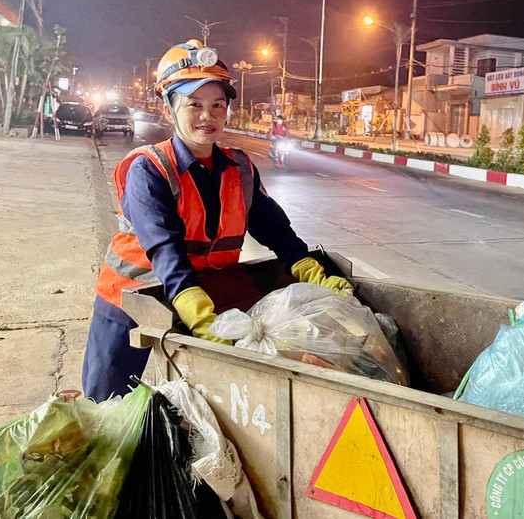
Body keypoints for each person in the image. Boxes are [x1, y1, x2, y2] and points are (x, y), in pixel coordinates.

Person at [82, 39, 352, 402]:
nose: (207, 116)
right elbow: (163, 247)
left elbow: (273, 228)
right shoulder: (150, 169)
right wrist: (198, 313)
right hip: (132, 299)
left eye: (217, 105)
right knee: (107, 400)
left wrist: (311, 268)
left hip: (201, 296)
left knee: (194, 405)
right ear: (169, 109)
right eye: (194, 105)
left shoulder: (239, 168)